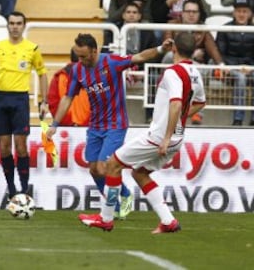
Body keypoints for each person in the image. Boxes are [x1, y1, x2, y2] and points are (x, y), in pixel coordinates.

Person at [78, 31, 206, 233]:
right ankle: (168, 221)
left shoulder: (173, 72)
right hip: (178, 137)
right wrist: (180, 121)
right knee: (139, 173)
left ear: (174, 49)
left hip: (160, 137)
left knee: (112, 165)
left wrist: (165, 136)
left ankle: (106, 218)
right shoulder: (195, 73)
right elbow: (200, 103)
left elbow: (175, 104)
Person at [46, 33, 173, 220]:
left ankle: (115, 207)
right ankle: (122, 195)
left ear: (94, 51)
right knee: (94, 170)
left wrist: (162, 49)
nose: (80, 60)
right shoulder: (78, 71)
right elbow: (68, 98)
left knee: (105, 167)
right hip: (95, 125)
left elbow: (140, 57)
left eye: (83, 56)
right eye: (78, 56)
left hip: (116, 124)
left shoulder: (111, 62)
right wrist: (54, 124)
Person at [0, 11, 48, 200]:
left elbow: (42, 73)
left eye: (19, 23)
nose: (15, 26)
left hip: (20, 100)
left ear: (24, 26)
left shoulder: (32, 49)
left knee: (21, 146)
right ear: (8, 26)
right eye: (12, 23)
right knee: (4, 147)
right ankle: (11, 189)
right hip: (1, 98)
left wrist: (44, 101)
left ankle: (25, 188)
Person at [162, 0, 224, 125]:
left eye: (194, 12)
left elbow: (212, 48)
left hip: (193, 67)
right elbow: (168, 47)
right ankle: (162, 110)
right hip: (174, 64)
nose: (191, 14)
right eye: (188, 11)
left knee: (206, 68)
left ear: (199, 14)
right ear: (182, 13)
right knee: (169, 56)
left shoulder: (203, 29)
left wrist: (221, 65)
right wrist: (190, 54)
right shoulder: (171, 24)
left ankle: (196, 113)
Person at [216, 0, 254, 126]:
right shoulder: (224, 29)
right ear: (233, 12)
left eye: (245, 11)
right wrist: (238, 67)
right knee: (241, 78)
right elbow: (220, 53)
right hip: (230, 69)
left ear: (250, 13)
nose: (241, 14)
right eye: (238, 11)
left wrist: (249, 67)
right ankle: (238, 120)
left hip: (249, 68)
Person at [47, 48, 90, 126]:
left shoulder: (59, 76)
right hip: (90, 128)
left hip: (65, 128)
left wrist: (67, 122)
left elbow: (53, 103)